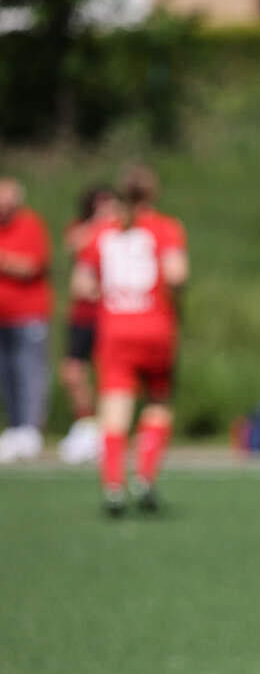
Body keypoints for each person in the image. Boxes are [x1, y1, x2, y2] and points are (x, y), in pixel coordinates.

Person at [71, 165, 188, 514]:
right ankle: (145, 475)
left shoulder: (102, 232)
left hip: (115, 330)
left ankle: (112, 485)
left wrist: (106, 290)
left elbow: (81, 284)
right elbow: (176, 274)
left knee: (114, 409)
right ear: (153, 192)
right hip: (154, 328)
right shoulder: (164, 228)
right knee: (158, 401)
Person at [58, 184, 121, 464]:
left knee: (109, 375)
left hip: (111, 315)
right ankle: (86, 425)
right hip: (83, 315)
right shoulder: (85, 230)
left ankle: (109, 432)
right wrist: (100, 223)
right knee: (72, 371)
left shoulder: (123, 232)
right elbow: (74, 244)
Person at [0, 177, 52, 463]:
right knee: (6, 375)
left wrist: (5, 260)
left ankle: (31, 429)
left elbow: (32, 265)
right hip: (2, 317)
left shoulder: (31, 224)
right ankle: (15, 427)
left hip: (28, 315)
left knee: (29, 373)